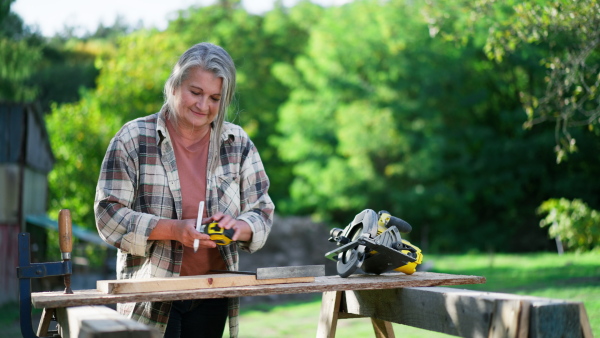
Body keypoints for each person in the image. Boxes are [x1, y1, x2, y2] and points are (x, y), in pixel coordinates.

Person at [94, 42, 274, 338]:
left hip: (212, 292)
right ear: (175, 86)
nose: (203, 106)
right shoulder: (133, 138)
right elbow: (107, 215)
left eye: (215, 98)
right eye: (196, 92)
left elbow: (262, 212)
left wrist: (237, 227)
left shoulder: (237, 143)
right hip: (152, 295)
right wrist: (174, 230)